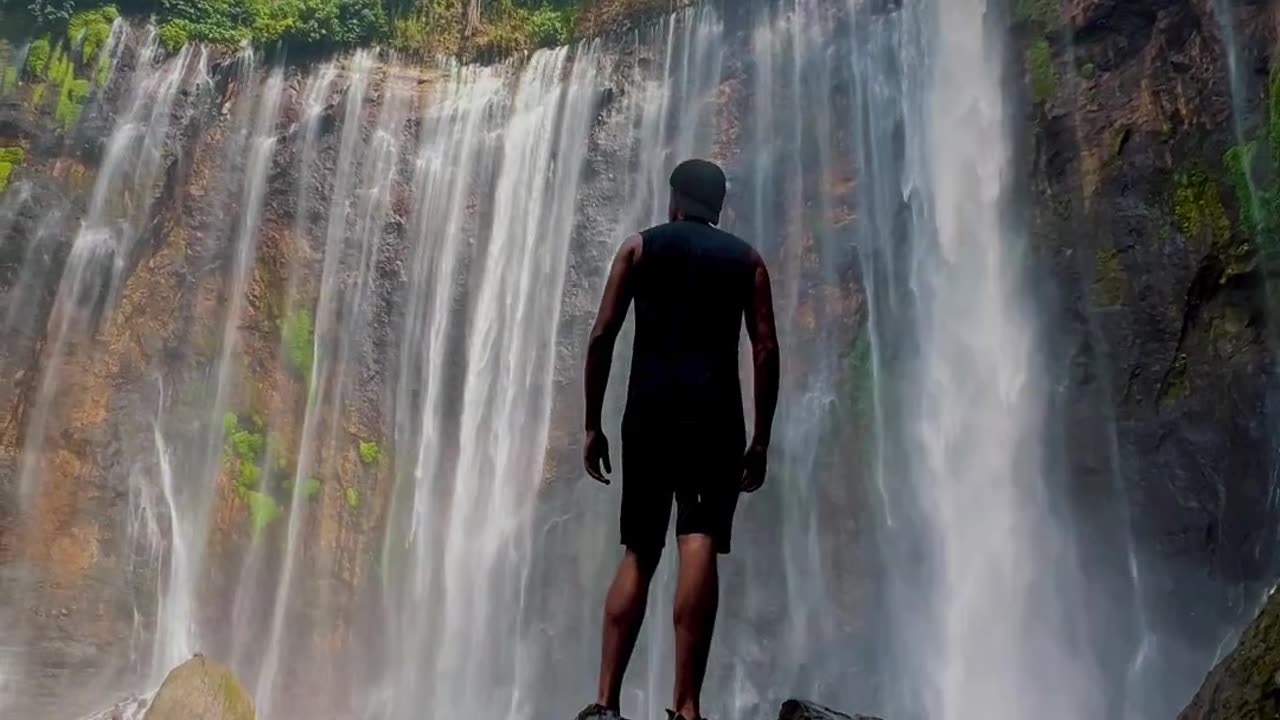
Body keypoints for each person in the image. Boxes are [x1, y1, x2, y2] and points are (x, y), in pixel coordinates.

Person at [576, 159, 780, 720]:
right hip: (715, 419)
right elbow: (764, 348)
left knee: (639, 550)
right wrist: (761, 438)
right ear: (718, 207)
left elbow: (602, 336)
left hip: (648, 414)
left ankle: (606, 703)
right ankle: (686, 707)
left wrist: (592, 423)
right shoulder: (748, 261)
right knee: (699, 541)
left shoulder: (638, 249)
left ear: (674, 200)